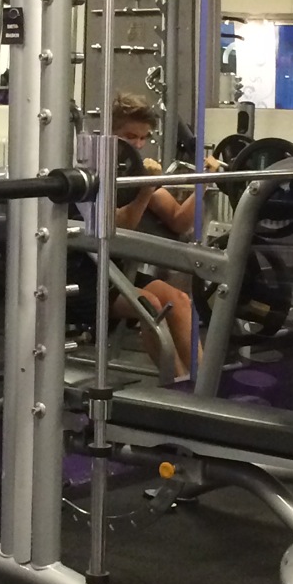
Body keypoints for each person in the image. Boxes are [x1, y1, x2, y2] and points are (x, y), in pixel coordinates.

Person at [108, 92, 198, 379]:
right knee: (152, 305)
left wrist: (204, 185)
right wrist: (146, 189)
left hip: (119, 272)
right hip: (88, 276)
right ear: (110, 133)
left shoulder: (135, 171)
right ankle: (177, 388)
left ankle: (200, 387)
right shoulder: (97, 171)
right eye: (129, 136)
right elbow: (117, 227)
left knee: (178, 300)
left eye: (143, 138)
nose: (137, 145)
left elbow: (178, 221)